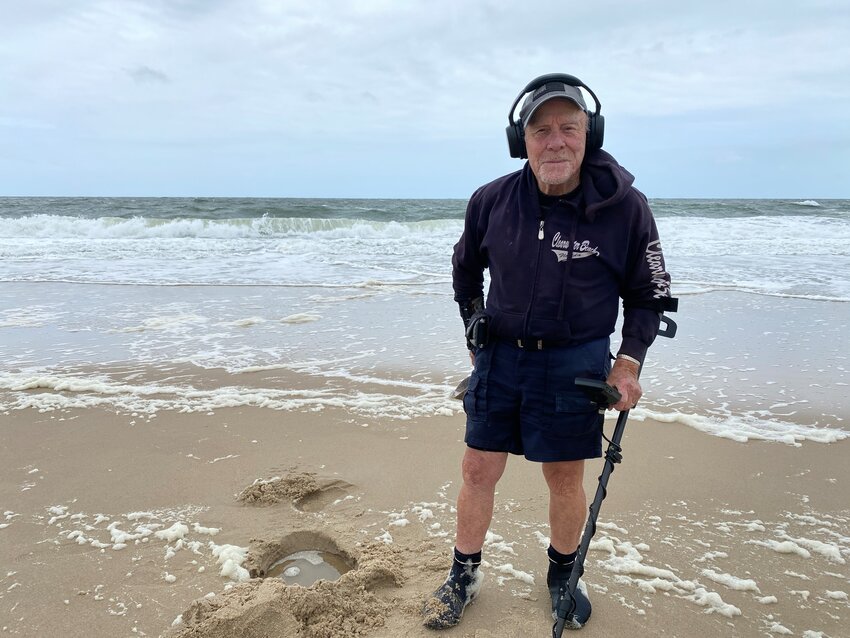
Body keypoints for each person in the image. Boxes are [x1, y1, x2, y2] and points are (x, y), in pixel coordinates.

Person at [421, 74, 672, 630]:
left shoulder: (626, 207)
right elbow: (464, 273)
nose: (555, 141)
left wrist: (628, 362)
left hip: (575, 361)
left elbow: (650, 293)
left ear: (591, 133)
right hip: (501, 358)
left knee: (563, 475)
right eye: (541, 130)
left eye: (568, 127)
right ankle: (463, 573)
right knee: (477, 467)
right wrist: (473, 330)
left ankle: (563, 573)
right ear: (522, 140)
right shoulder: (490, 201)